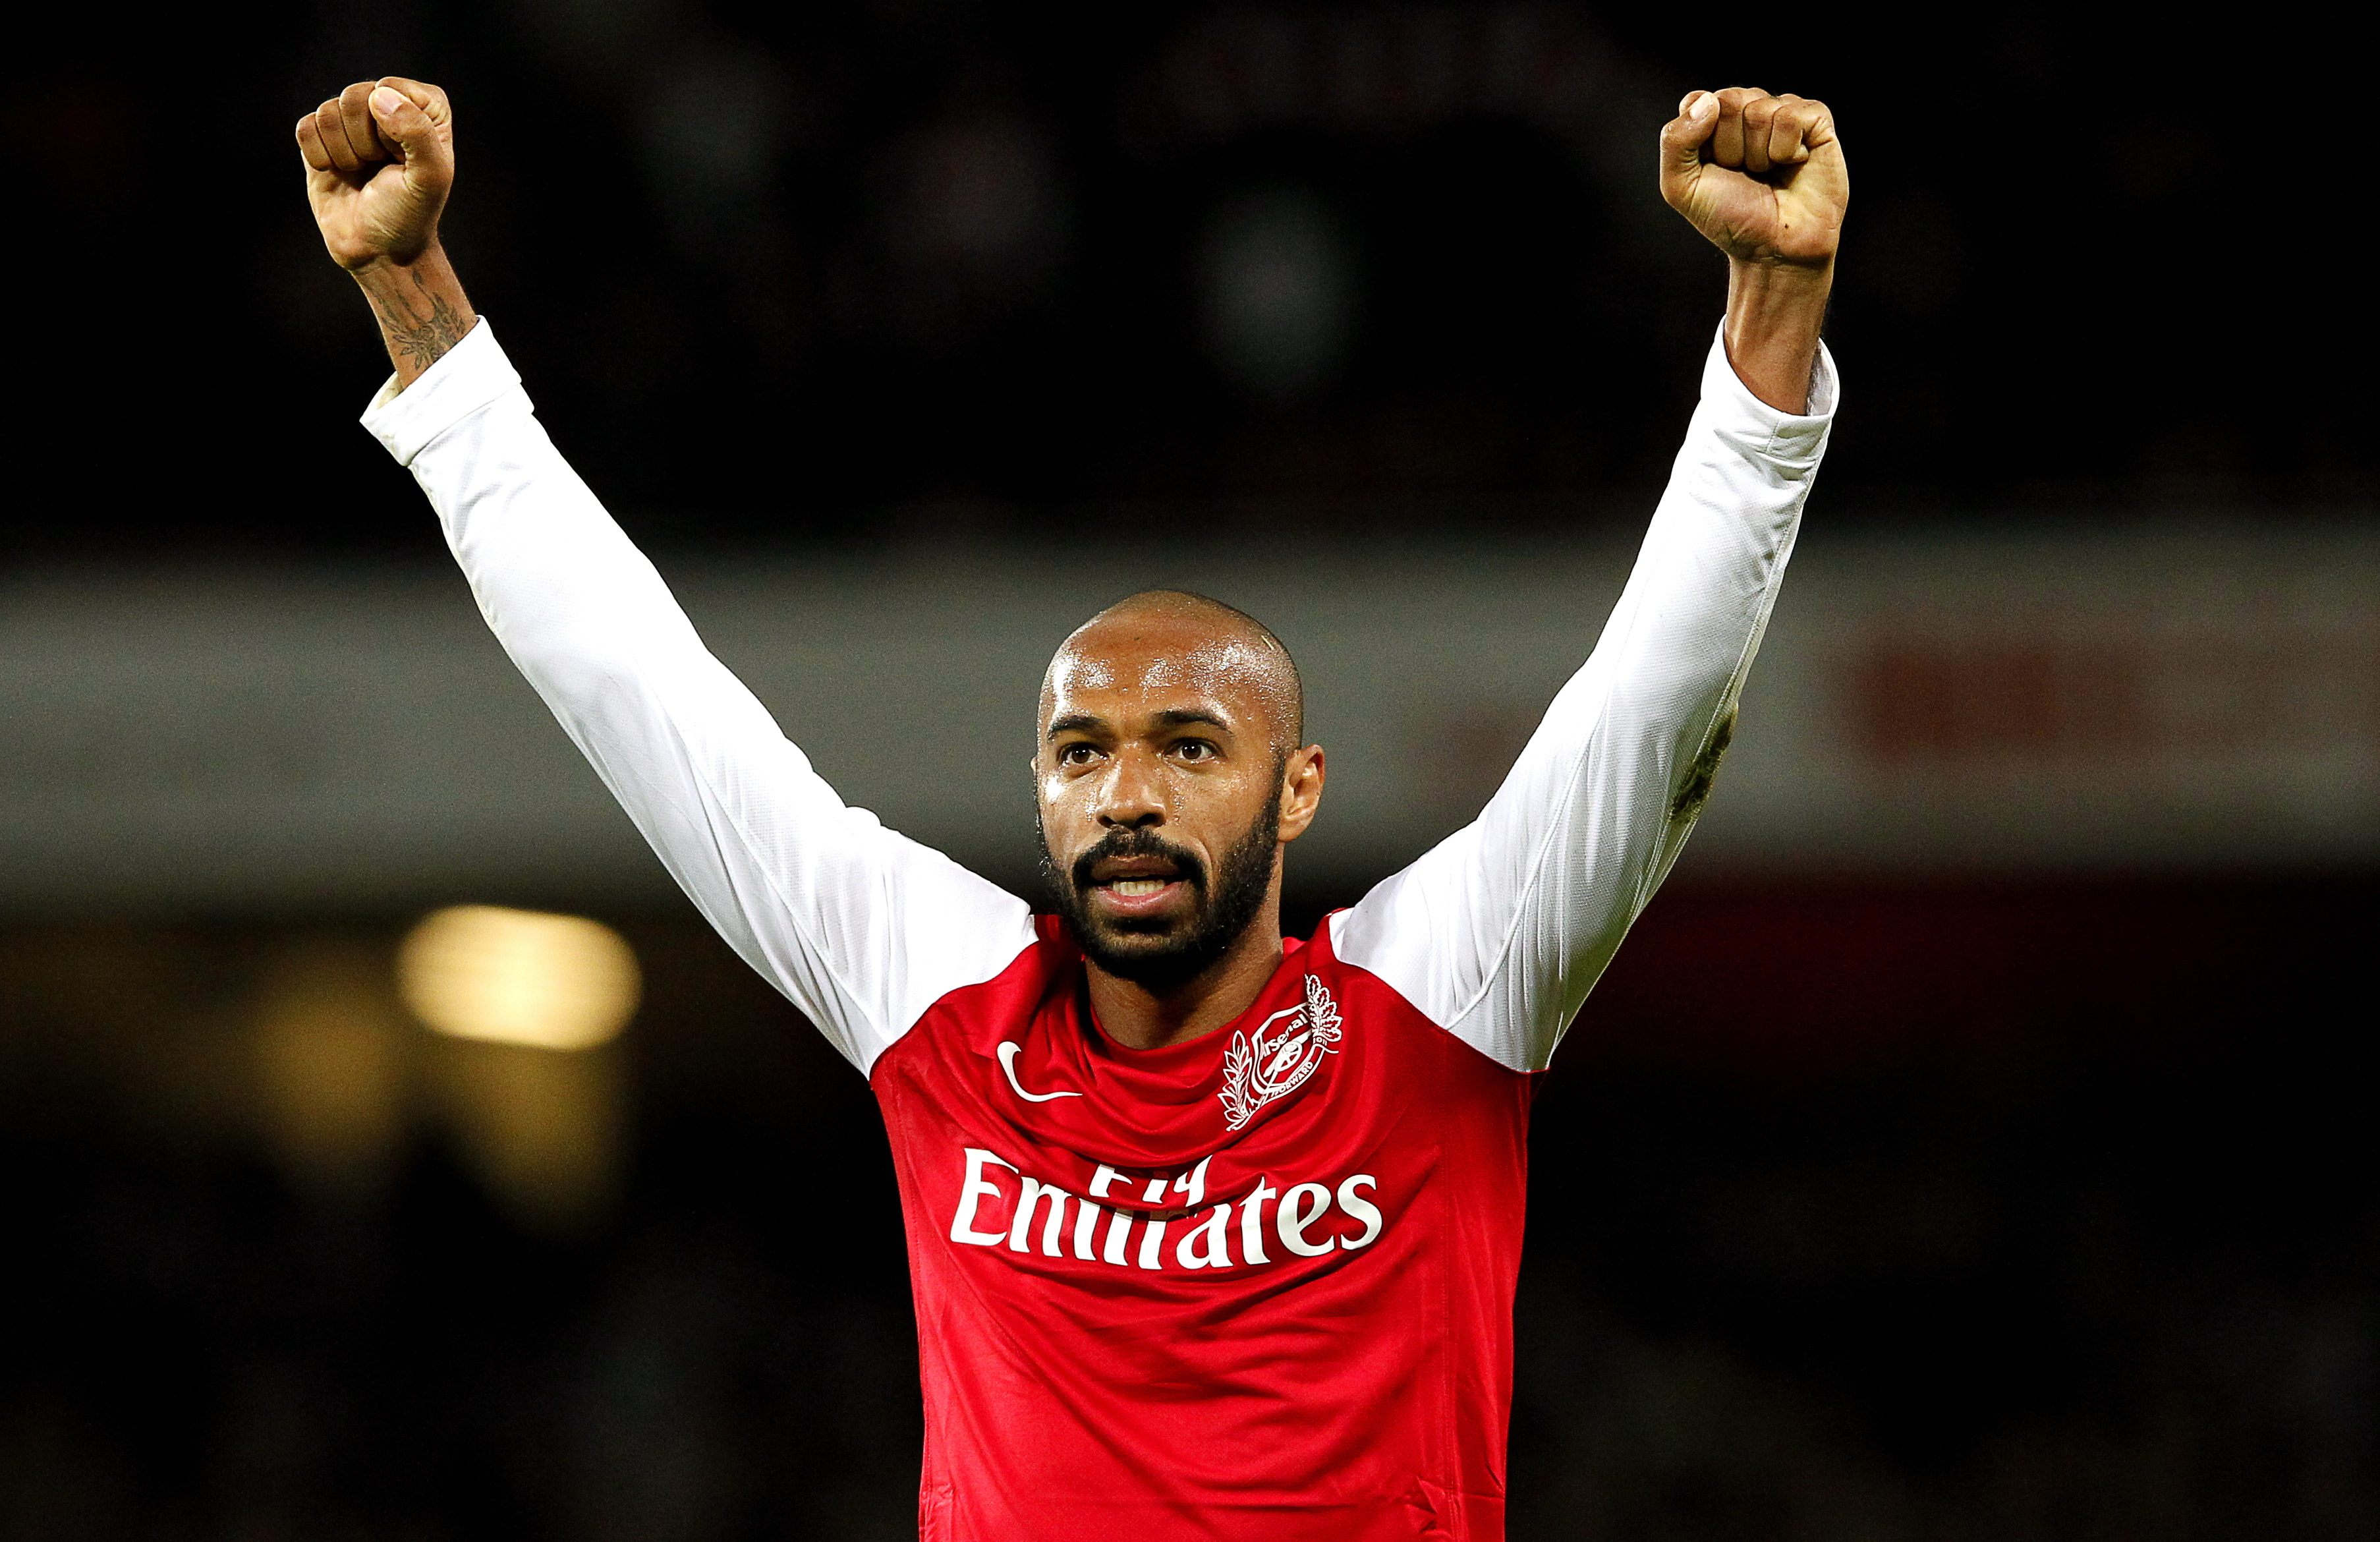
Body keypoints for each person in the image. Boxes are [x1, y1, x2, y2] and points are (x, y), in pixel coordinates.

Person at [297, 74, 1844, 1541]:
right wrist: (418, 301)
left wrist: (1771, 318)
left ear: (1297, 790)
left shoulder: (1437, 994)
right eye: (1084, 752)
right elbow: (645, 698)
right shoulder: (948, 1004)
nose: (1126, 797)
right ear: (1039, 786)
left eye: (1189, 748)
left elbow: (1655, 711)